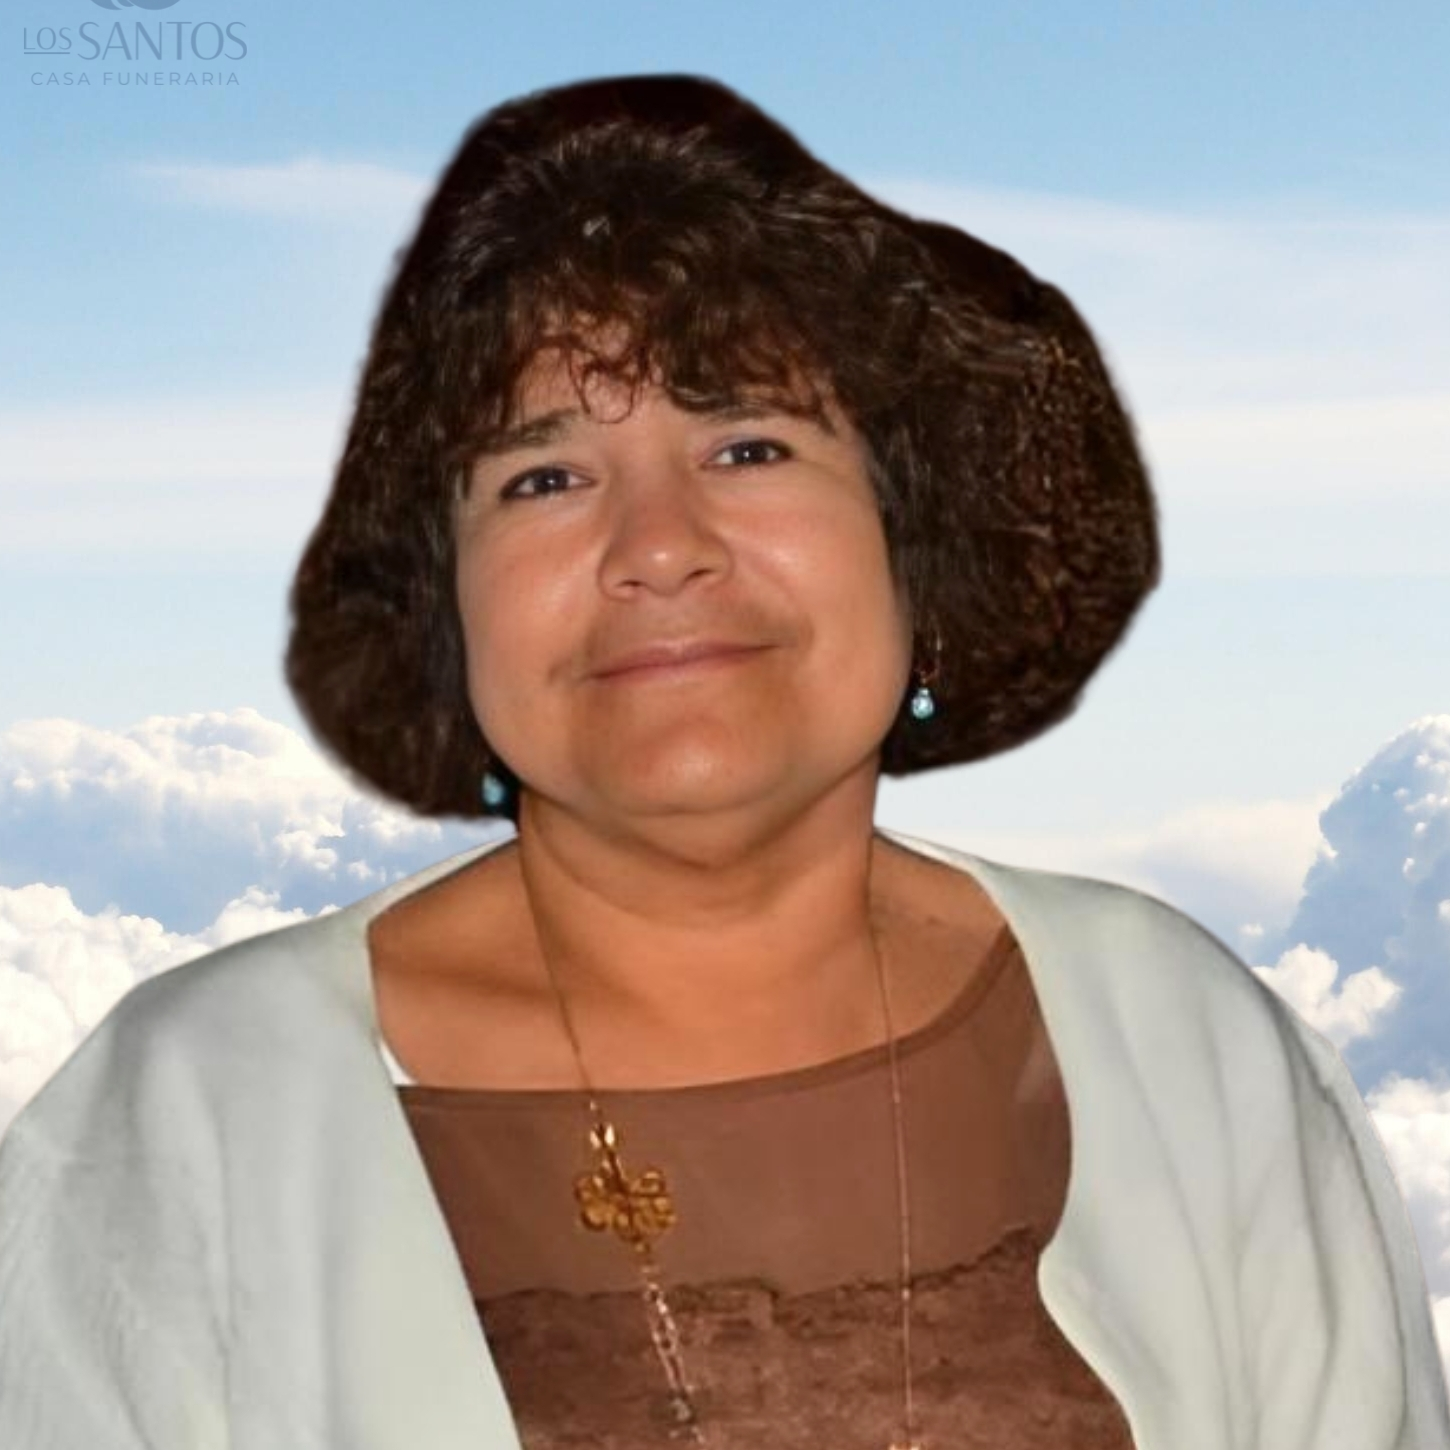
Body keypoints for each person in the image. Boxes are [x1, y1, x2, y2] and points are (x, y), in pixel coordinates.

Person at [0, 74, 1445, 1450]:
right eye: (544, 477)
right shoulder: (183, 1122)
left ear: (917, 540)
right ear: (444, 608)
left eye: (749, 446)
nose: (658, 548)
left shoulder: (1190, 1045)